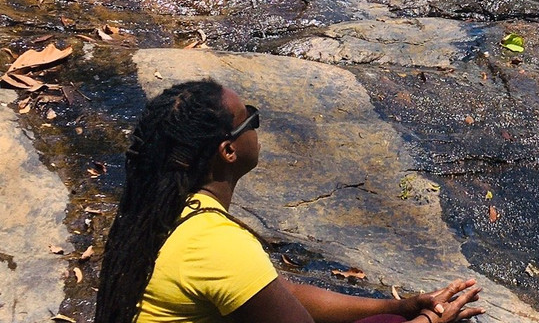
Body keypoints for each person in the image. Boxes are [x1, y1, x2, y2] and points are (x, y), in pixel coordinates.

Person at [94, 79, 485, 323]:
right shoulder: (217, 245)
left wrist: (398, 307)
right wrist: (429, 322)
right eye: (251, 119)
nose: (257, 127)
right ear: (228, 151)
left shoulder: (157, 213)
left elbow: (276, 293)